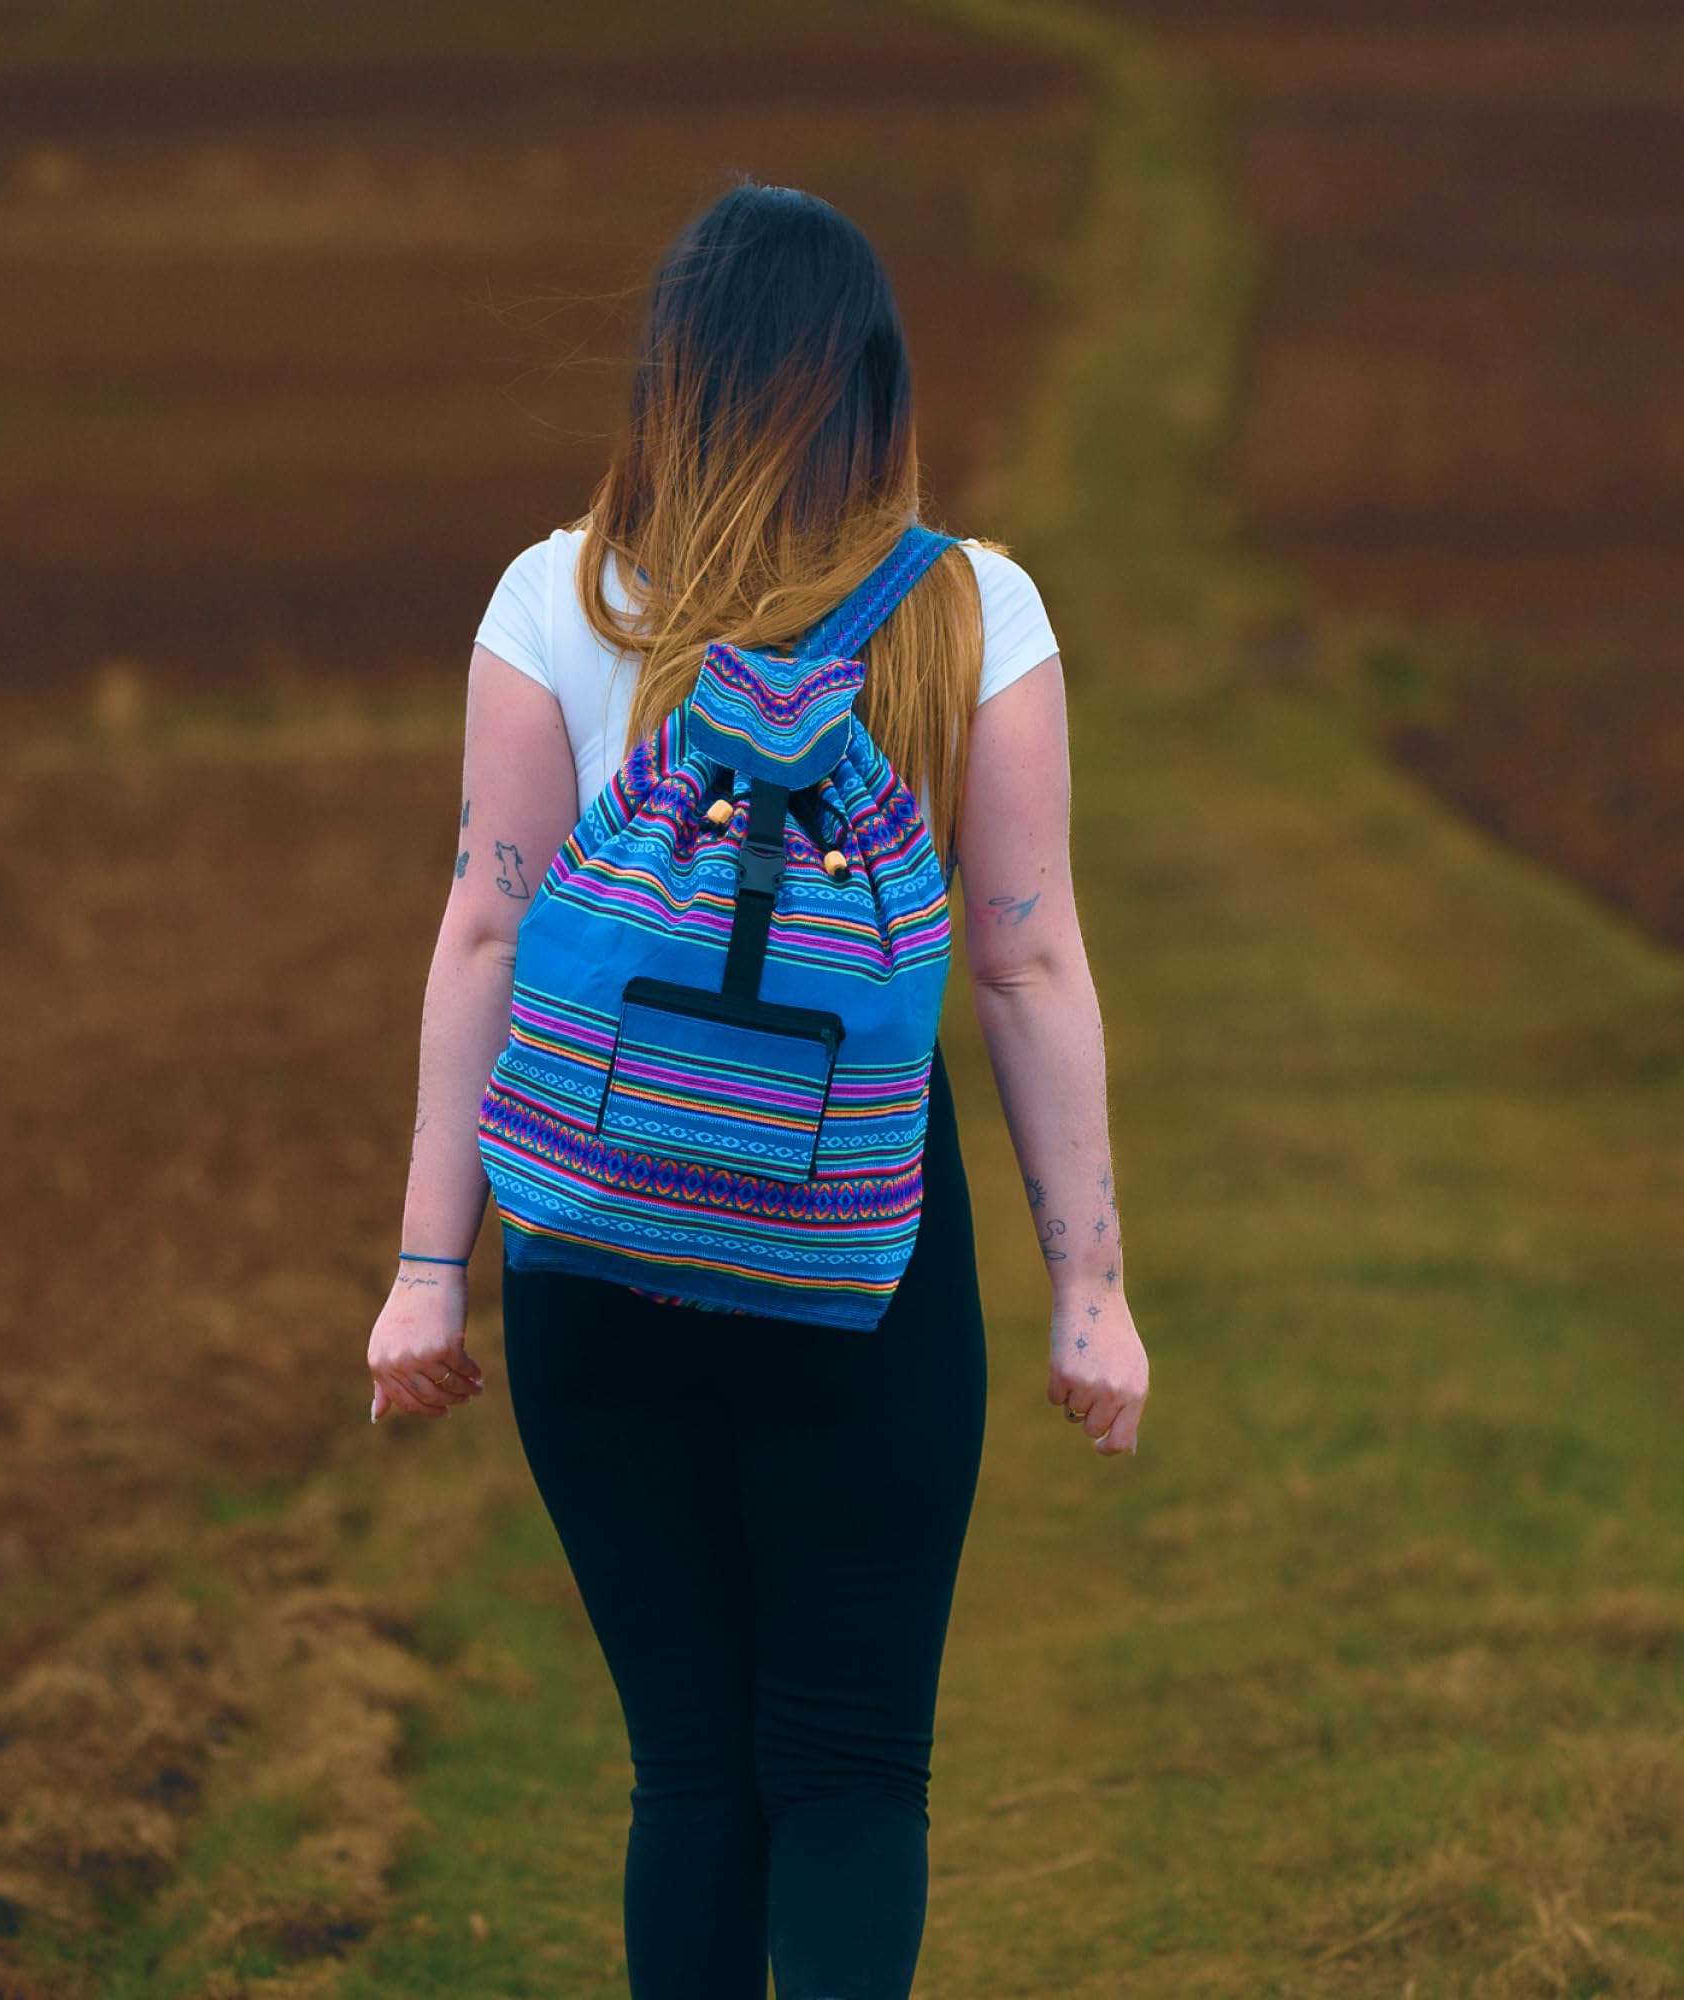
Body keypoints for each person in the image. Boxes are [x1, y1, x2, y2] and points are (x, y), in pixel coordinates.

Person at [366, 178, 1150, 2000]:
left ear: (669, 379)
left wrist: (426, 1268)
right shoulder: (978, 612)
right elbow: (1029, 964)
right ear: (872, 384)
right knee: (854, 1767)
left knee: (694, 1773)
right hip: (862, 1255)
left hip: (592, 1252)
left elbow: (486, 930)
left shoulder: (550, 601)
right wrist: (1090, 1294)